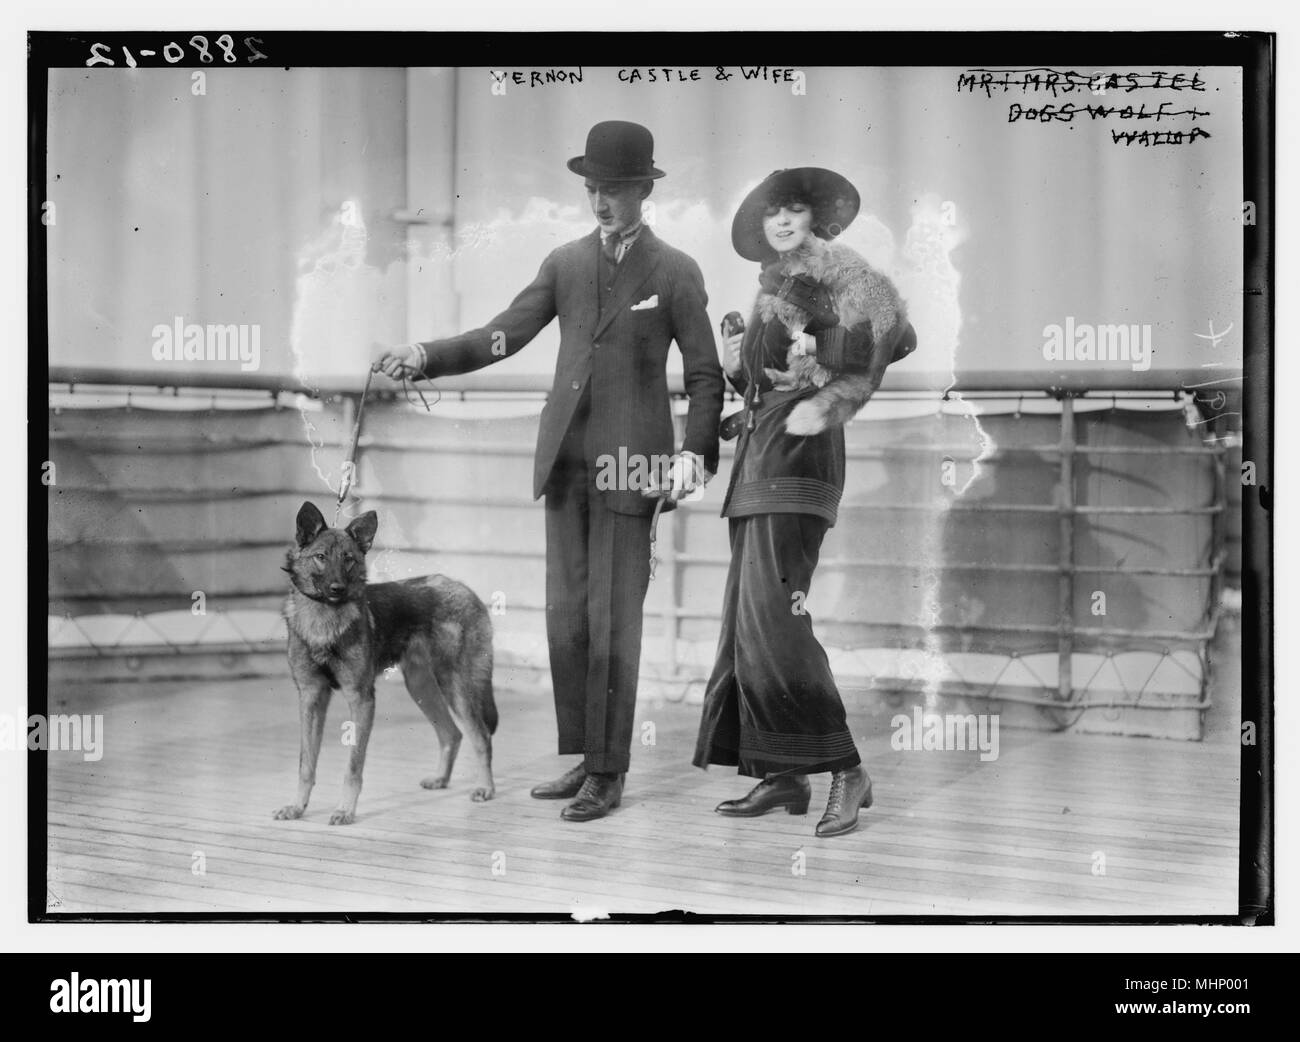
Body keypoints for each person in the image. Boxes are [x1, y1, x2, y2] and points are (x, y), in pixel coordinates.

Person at [377, 121, 724, 822]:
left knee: (613, 619)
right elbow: (500, 334)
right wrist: (424, 353)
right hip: (564, 464)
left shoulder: (676, 270)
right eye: (592, 189)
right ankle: (585, 760)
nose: (600, 202)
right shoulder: (564, 262)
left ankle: (610, 772)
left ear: (642, 191)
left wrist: (695, 452)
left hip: (635, 468)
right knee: (568, 622)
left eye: (614, 190)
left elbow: (708, 373)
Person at [692, 167, 917, 838]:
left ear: (815, 220)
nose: (783, 221)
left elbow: (896, 336)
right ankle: (782, 773)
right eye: (772, 213)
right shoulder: (773, 290)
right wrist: (738, 365)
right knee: (747, 622)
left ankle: (847, 768)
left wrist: (825, 340)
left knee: (775, 622)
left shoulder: (836, 275)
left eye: (794, 210)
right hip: (758, 467)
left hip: (798, 467)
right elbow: (764, 382)